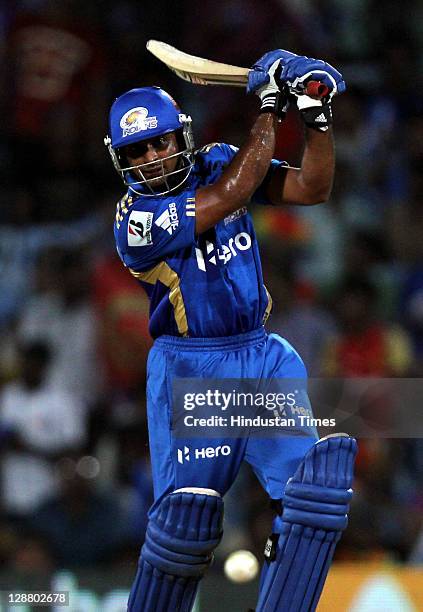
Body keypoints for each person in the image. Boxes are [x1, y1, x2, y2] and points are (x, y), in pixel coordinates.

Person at [105, 49, 357, 612]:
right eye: (136, 151)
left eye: (160, 142)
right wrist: (270, 106)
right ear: (120, 160)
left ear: (181, 137)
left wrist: (315, 116)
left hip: (262, 356)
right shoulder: (136, 221)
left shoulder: (222, 160)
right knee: (186, 525)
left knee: (313, 501)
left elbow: (312, 188)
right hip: (193, 368)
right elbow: (229, 198)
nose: (151, 158)